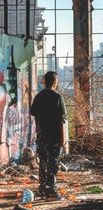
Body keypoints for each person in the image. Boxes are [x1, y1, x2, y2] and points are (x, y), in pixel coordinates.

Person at [30, 71, 67, 199]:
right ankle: (51, 189)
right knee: (53, 164)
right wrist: (62, 140)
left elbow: (33, 114)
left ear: (44, 81)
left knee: (43, 163)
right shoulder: (57, 97)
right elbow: (61, 121)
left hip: (41, 136)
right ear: (55, 82)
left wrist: (38, 131)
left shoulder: (38, 97)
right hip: (54, 137)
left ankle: (42, 188)